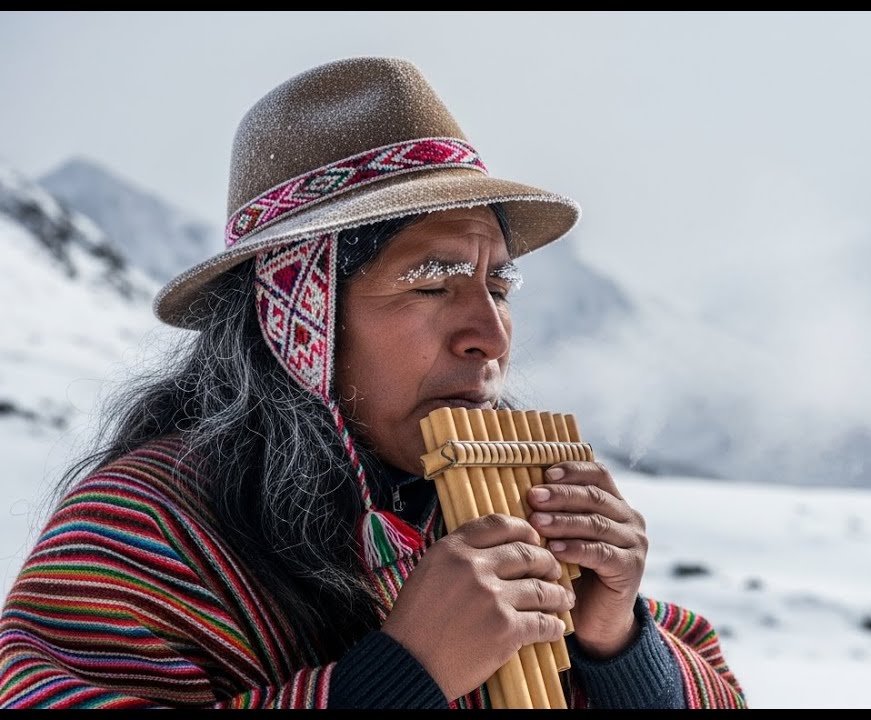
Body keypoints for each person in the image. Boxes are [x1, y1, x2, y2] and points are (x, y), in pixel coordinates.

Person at [0, 56, 747, 709]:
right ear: (301, 316)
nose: (488, 334)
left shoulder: (498, 506)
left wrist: (618, 645)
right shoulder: (142, 529)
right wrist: (399, 677)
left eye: (501, 284)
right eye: (431, 282)